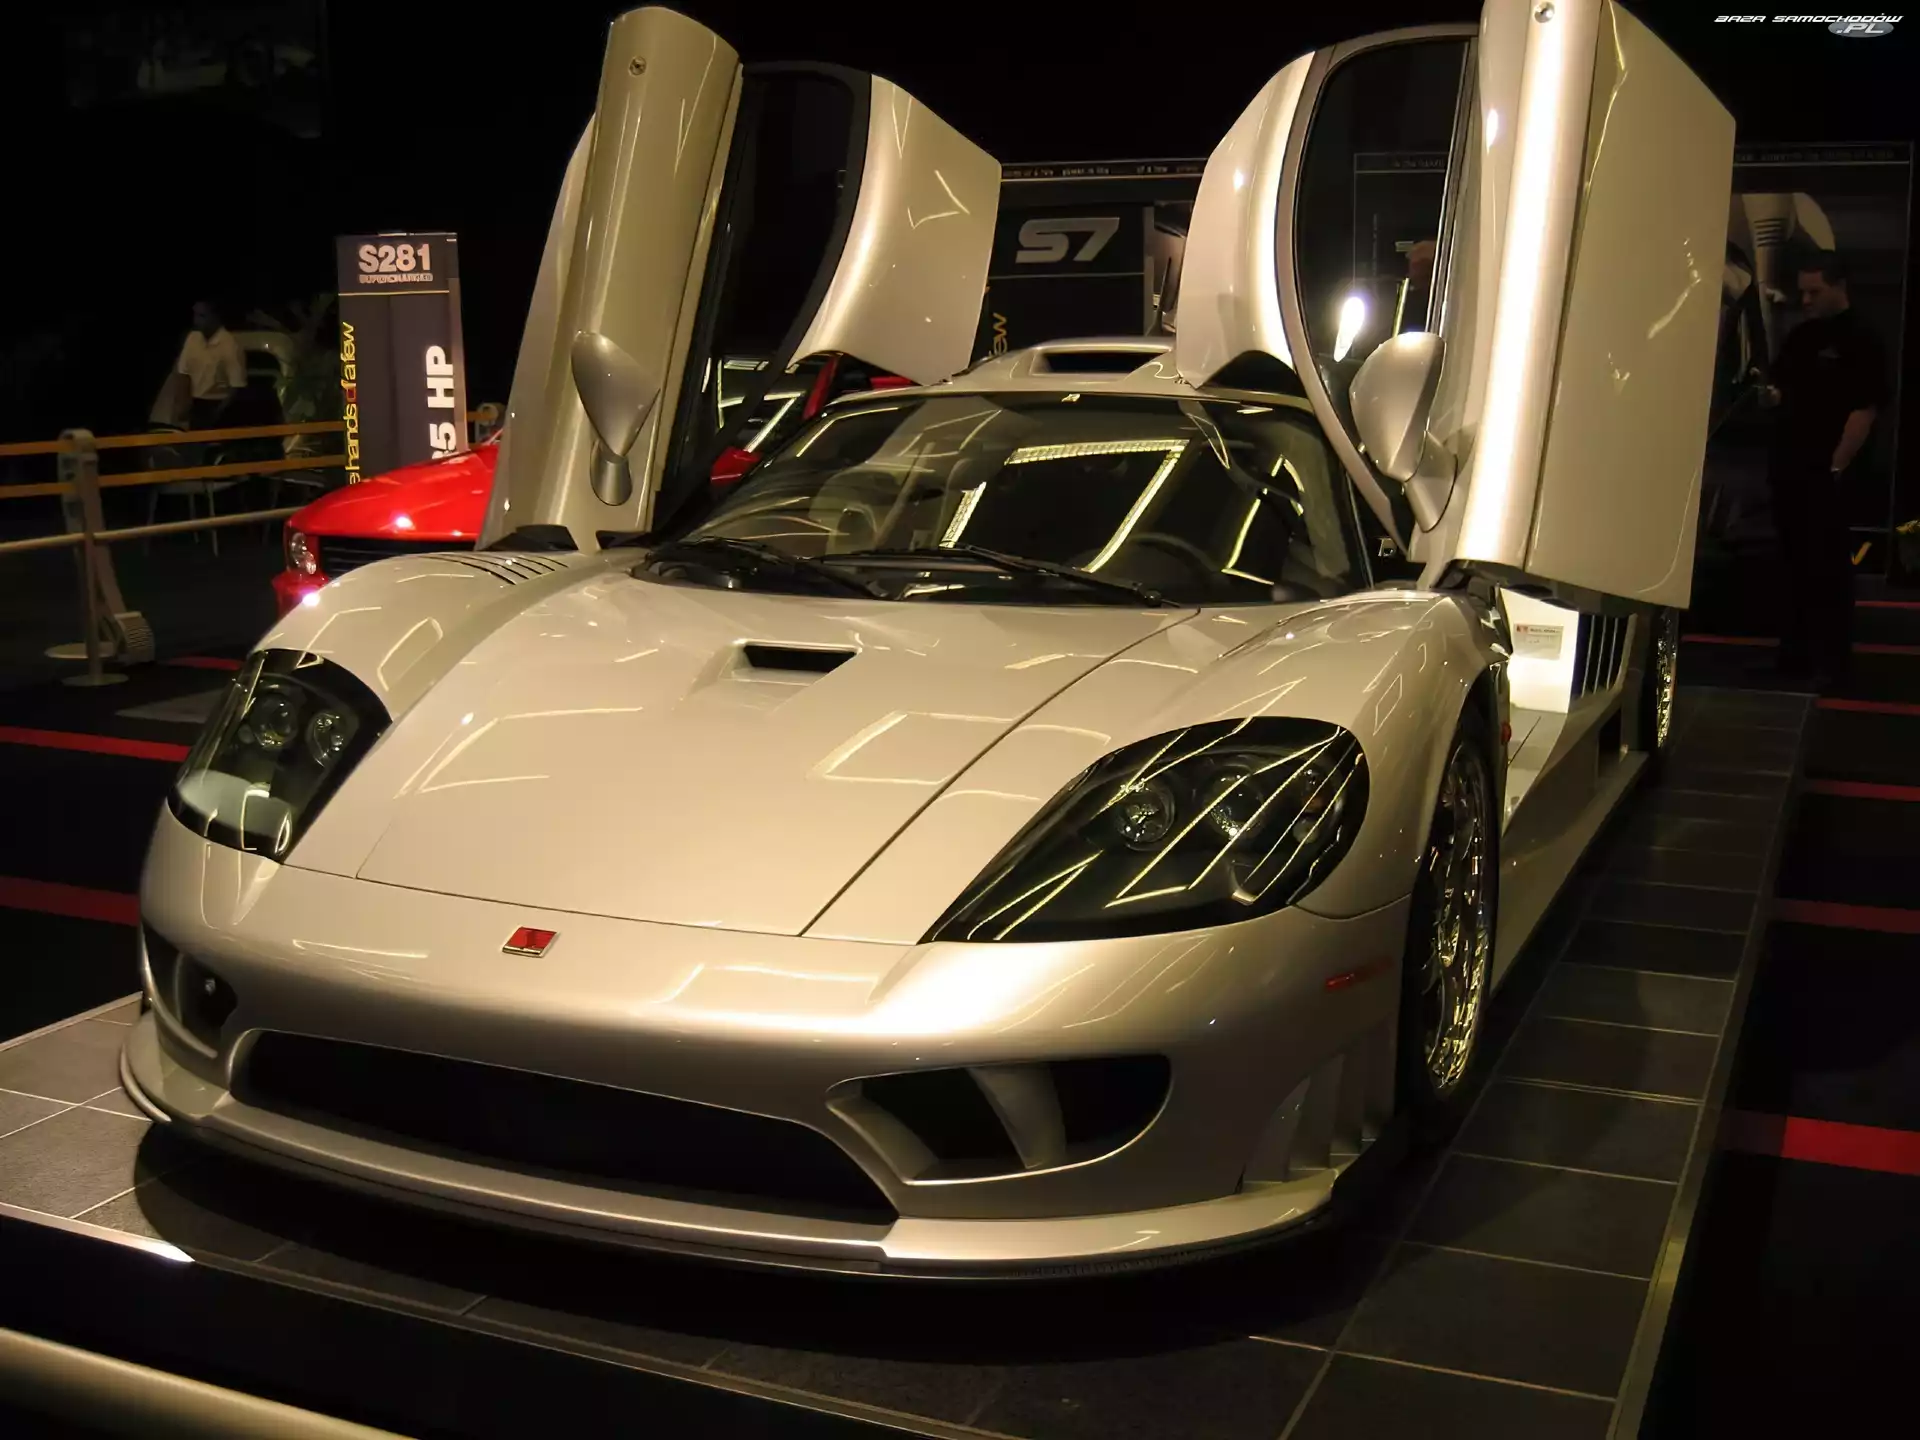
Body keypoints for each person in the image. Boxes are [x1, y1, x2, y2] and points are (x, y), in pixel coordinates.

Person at [1761, 251, 1888, 688]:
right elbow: (1782, 389)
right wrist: (1767, 396)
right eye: (1803, 292)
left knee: (1828, 568)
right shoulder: (1802, 337)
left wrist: (1837, 465)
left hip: (1827, 471)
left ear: (1839, 287)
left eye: (1815, 292)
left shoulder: (1863, 339)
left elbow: (1864, 410)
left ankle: (1833, 663)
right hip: (1791, 467)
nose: (1806, 300)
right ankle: (1793, 656)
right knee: (1793, 563)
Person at [174, 300, 247, 434]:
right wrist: (182, 405)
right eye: (195, 315)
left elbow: (236, 388)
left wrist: (216, 416)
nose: (196, 321)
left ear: (215, 317)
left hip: (218, 406)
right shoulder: (193, 338)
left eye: (202, 316)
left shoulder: (230, 345)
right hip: (195, 405)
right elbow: (183, 372)